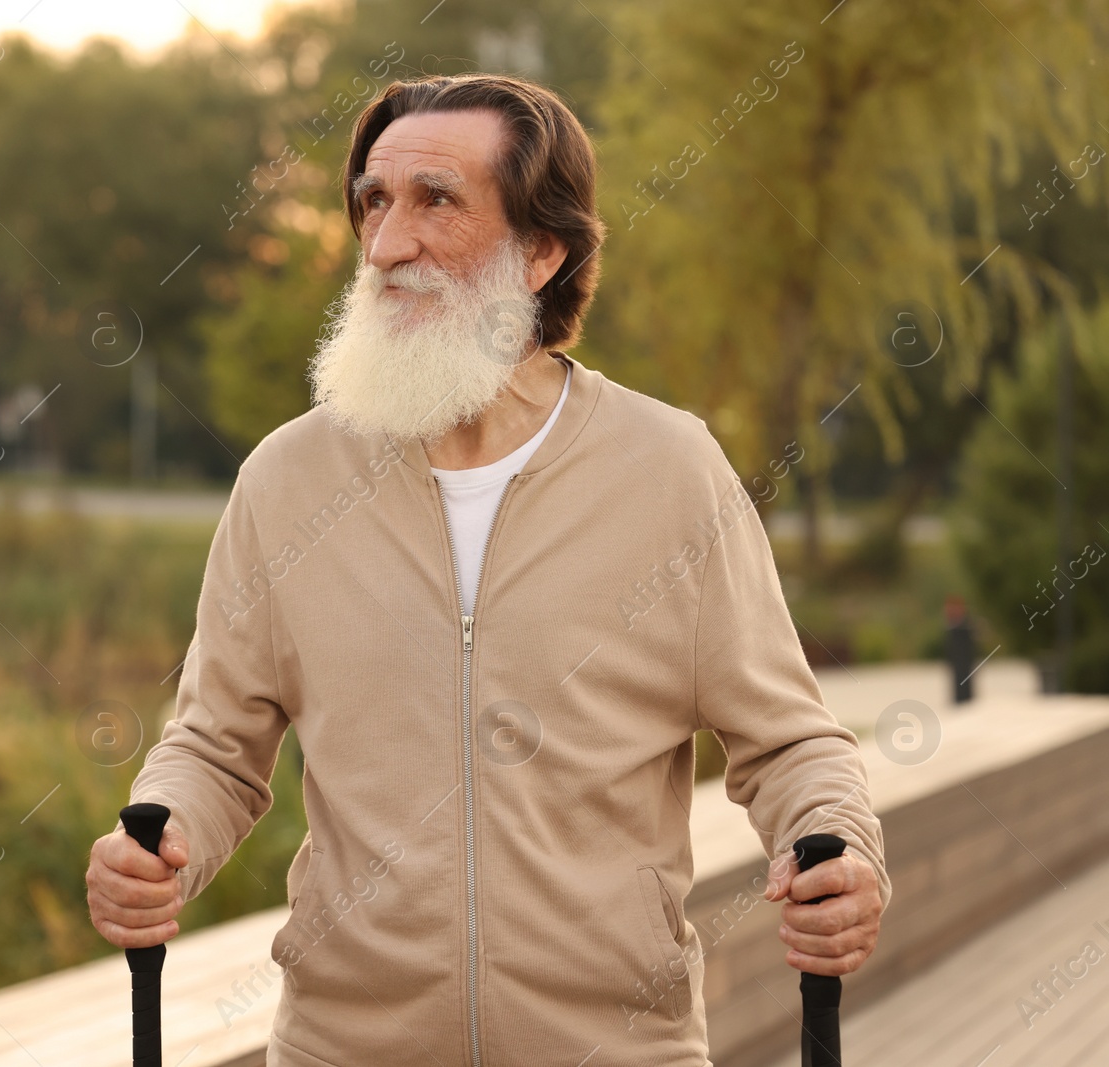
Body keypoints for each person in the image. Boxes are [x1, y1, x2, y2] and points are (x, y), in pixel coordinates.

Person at [86, 72, 888, 1066]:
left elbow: (788, 741)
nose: (385, 245)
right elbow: (214, 745)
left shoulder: (669, 471)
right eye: (373, 204)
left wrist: (840, 844)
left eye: (435, 202)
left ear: (541, 251)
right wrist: (156, 842)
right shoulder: (287, 482)